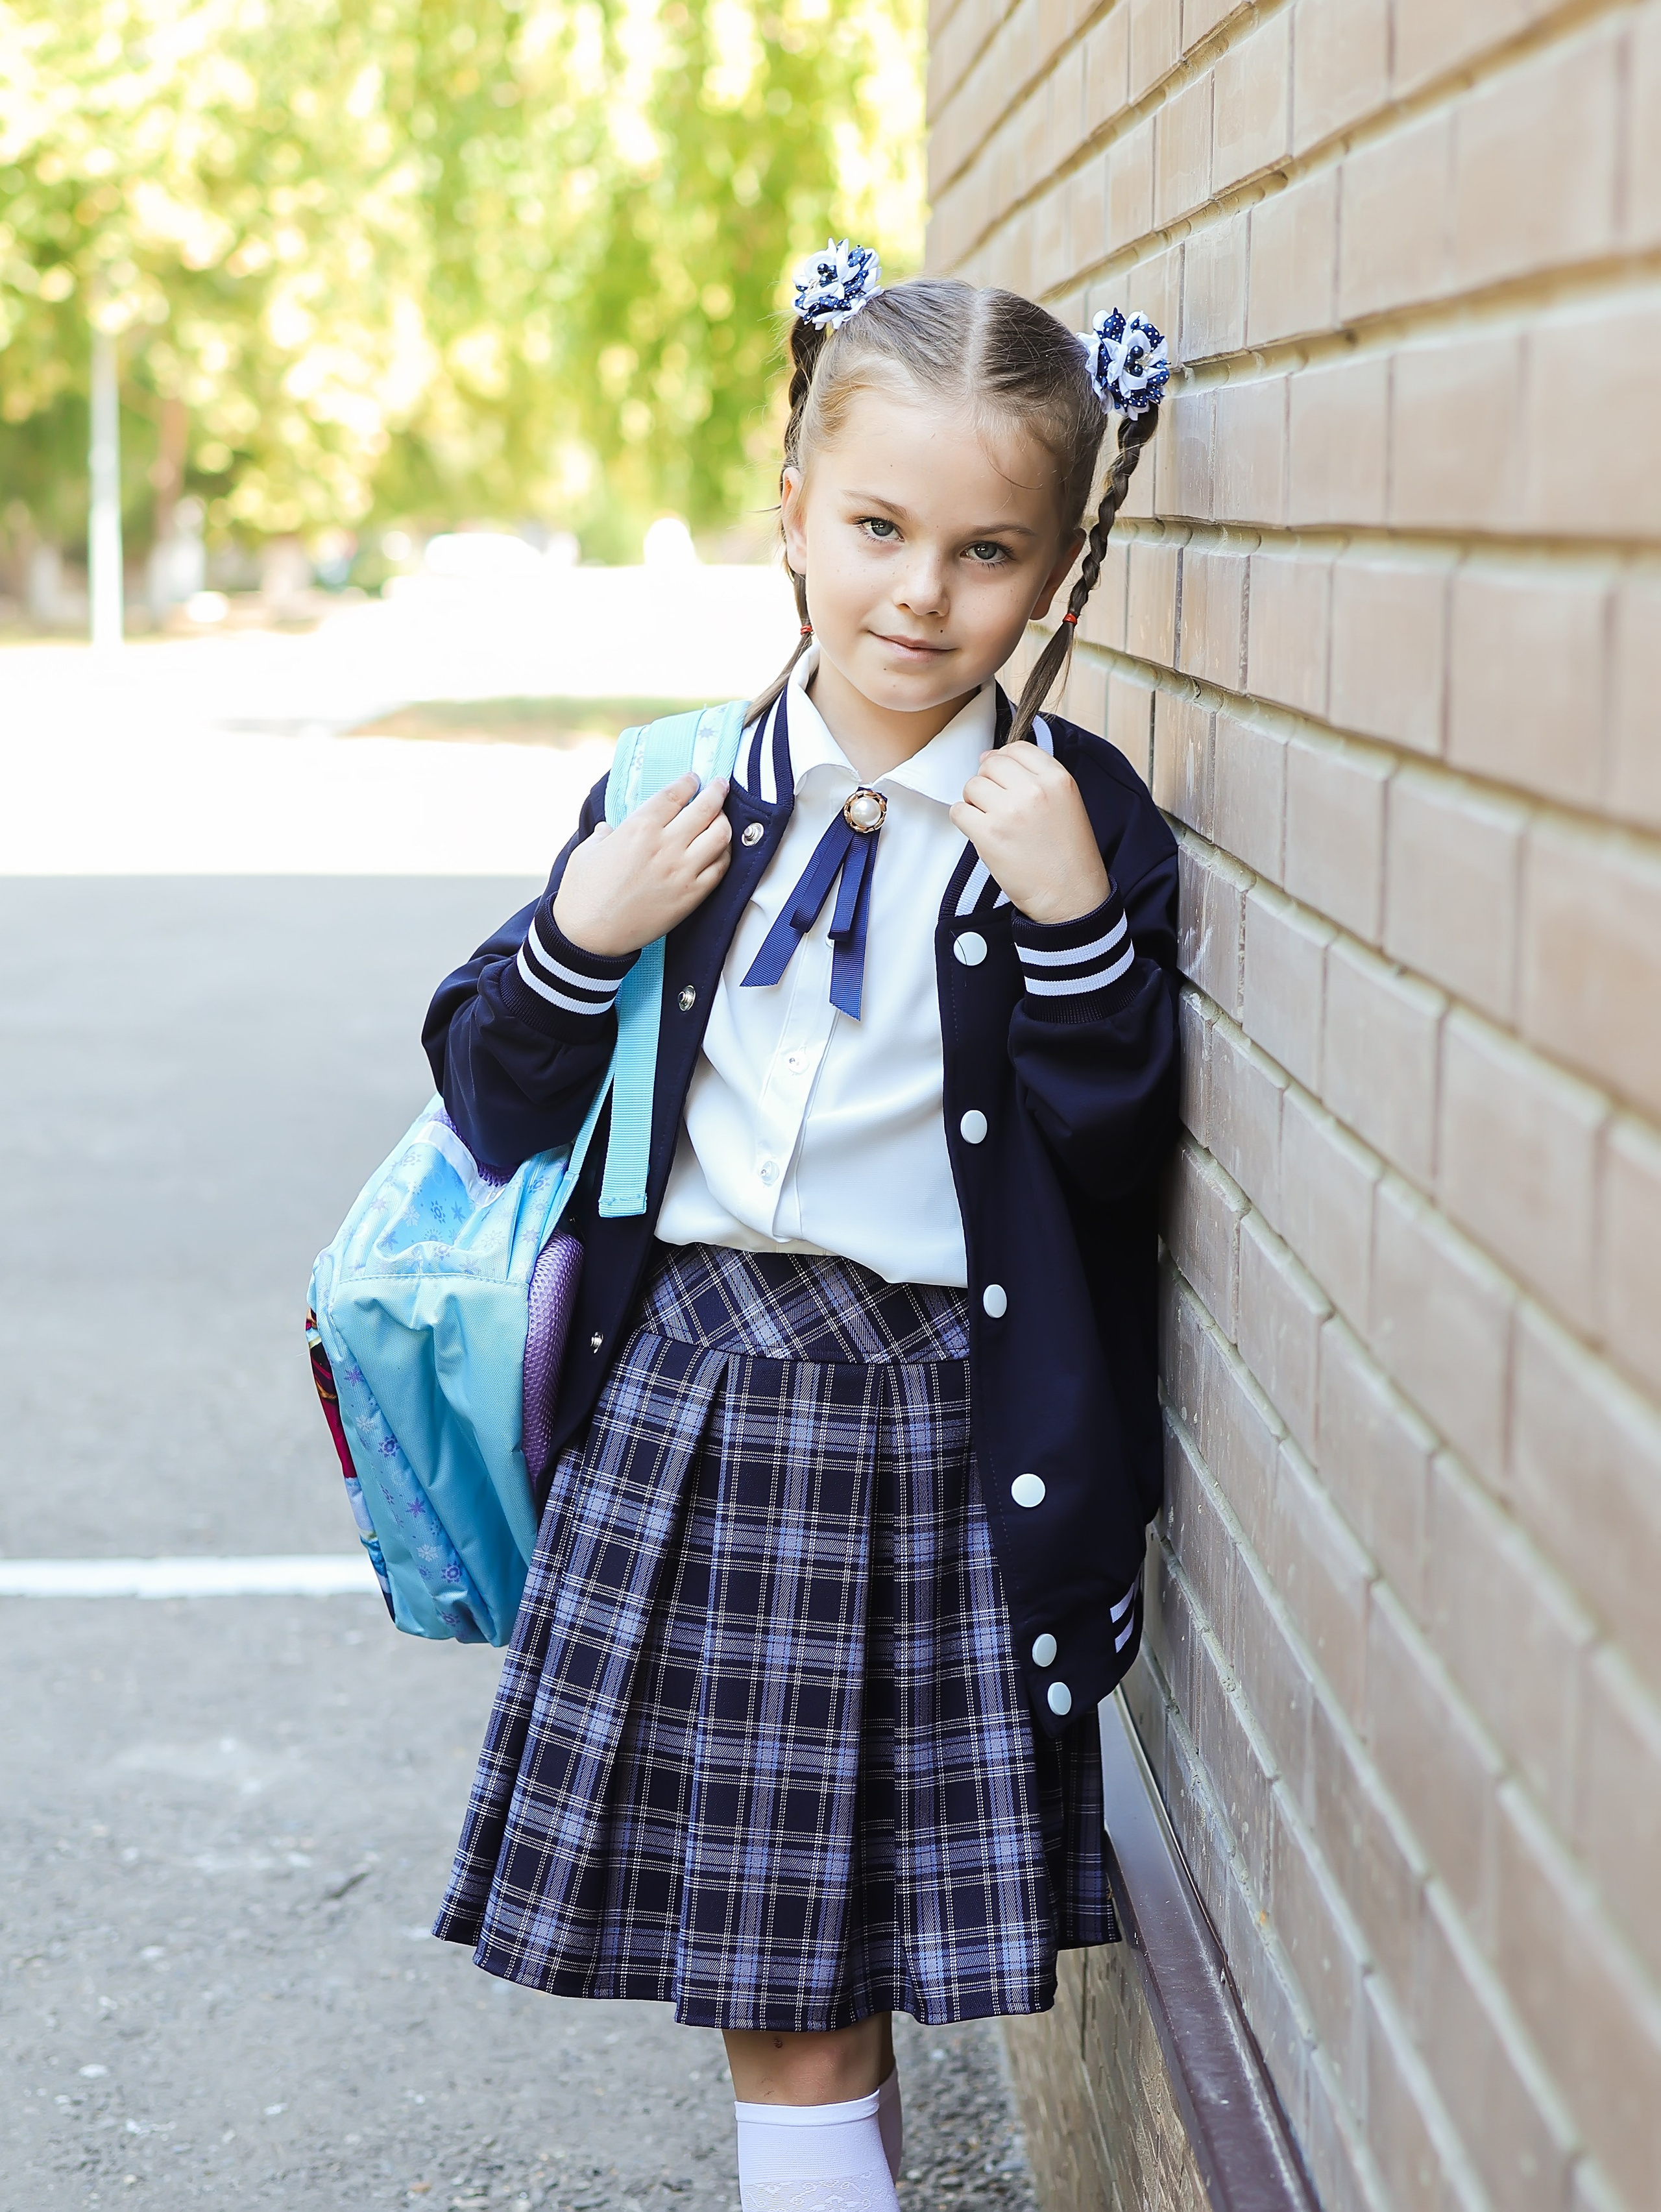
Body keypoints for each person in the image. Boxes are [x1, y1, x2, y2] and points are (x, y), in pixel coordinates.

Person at [424, 247, 1180, 2210]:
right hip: (703, 1404)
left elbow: (1116, 1156)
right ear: (790, 507)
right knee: (796, 1995)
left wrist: (1082, 922)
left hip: (945, 1420)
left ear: (1056, 561)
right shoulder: (679, 786)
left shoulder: (1066, 815)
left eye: (989, 549)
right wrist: (585, 932)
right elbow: (496, 1103)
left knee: (839, 1985)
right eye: (877, 527)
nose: (922, 595)